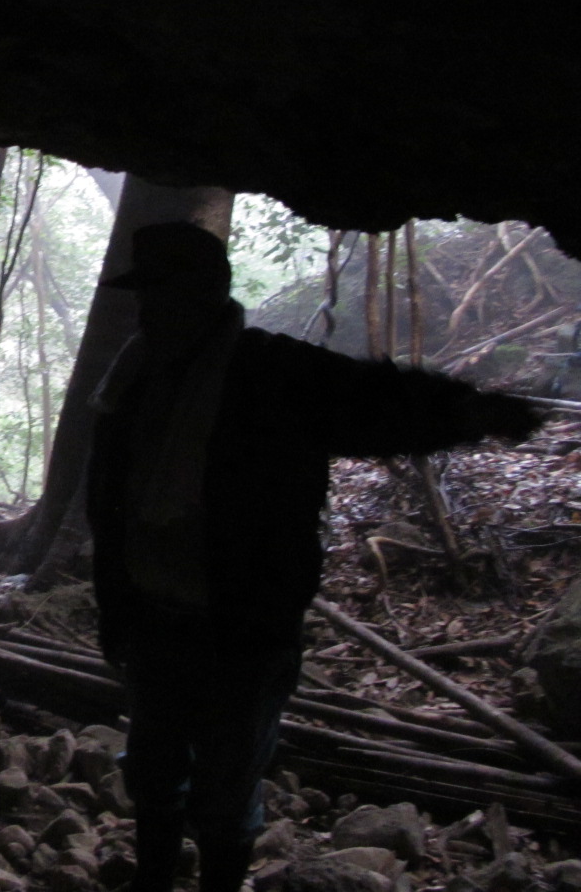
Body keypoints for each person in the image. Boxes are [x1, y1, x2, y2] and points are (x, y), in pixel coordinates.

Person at [85, 223, 542, 892]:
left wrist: (475, 412)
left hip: (243, 630)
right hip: (154, 620)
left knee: (227, 786)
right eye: (145, 295)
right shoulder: (132, 377)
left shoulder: (271, 371)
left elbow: (379, 401)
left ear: (207, 295)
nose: (150, 310)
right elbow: (108, 502)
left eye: (162, 293)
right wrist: (114, 608)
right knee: (153, 776)